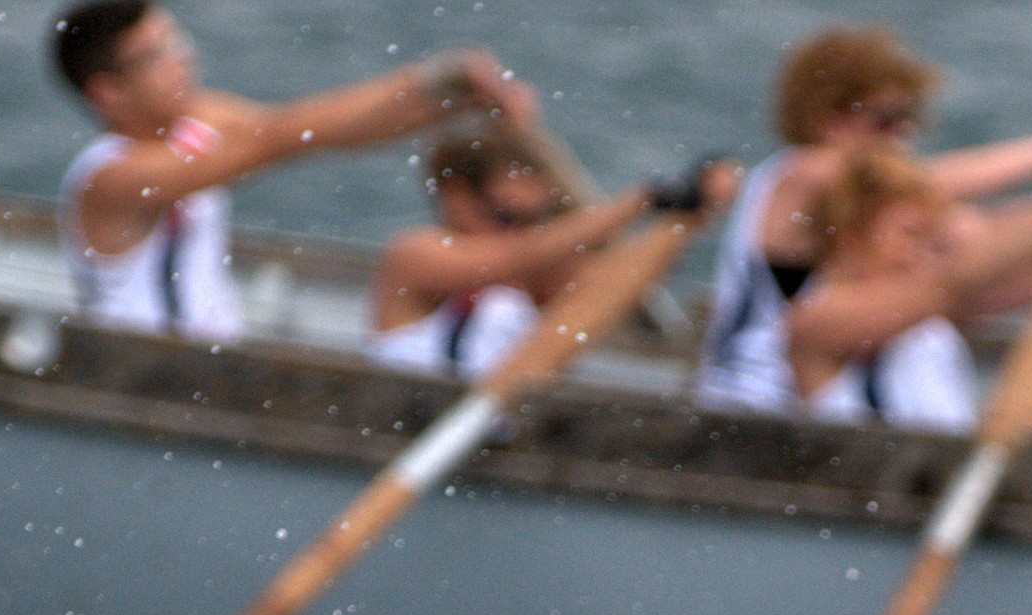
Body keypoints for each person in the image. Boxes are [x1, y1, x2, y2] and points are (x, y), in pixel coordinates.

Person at [699, 25, 1032, 414]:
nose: (903, 136)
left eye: (909, 120)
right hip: (750, 405)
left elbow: (978, 241)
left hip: (813, 401)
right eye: (885, 120)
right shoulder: (802, 174)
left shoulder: (878, 209)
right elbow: (927, 195)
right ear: (827, 118)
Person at [52, 0, 533, 343]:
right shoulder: (111, 178)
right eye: (156, 54)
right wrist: (429, 79)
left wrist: (452, 105)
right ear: (107, 92)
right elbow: (281, 139)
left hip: (207, 361)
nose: (184, 57)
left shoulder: (196, 124)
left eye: (176, 40)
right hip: (141, 374)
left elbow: (325, 132)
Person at [780, 154, 1032, 431]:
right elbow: (949, 282)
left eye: (930, 240)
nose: (920, 255)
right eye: (909, 235)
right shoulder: (815, 321)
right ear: (850, 233)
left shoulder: (928, 316)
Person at [371, 133, 736, 382]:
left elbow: (614, 283)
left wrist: (687, 219)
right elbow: (520, 255)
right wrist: (644, 200)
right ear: (457, 195)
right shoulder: (414, 254)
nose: (519, 231)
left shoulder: (536, 277)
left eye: (534, 220)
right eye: (506, 216)